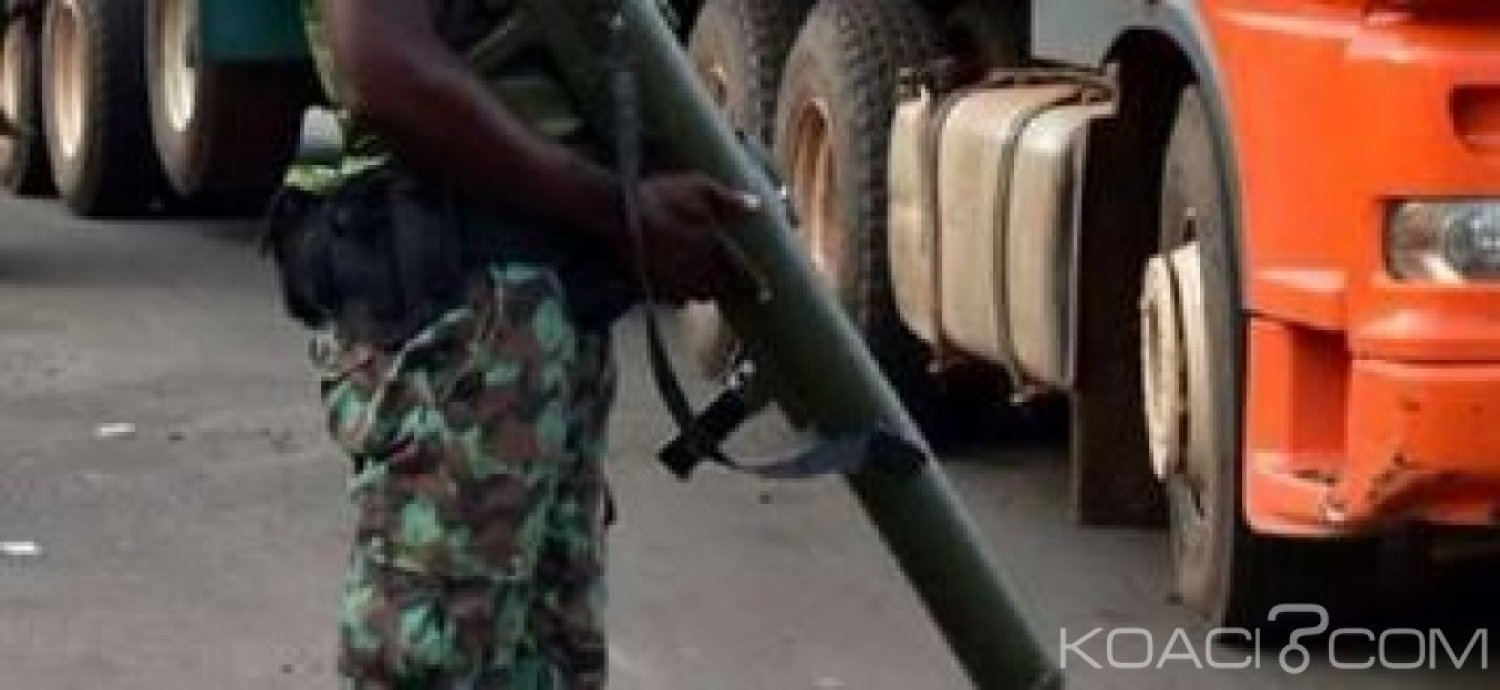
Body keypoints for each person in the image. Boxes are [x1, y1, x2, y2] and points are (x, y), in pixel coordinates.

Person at [289, 0, 759, 687]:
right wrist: (618, 209)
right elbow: (384, 67)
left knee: (549, 658)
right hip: (467, 304)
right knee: (439, 661)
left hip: (541, 301)